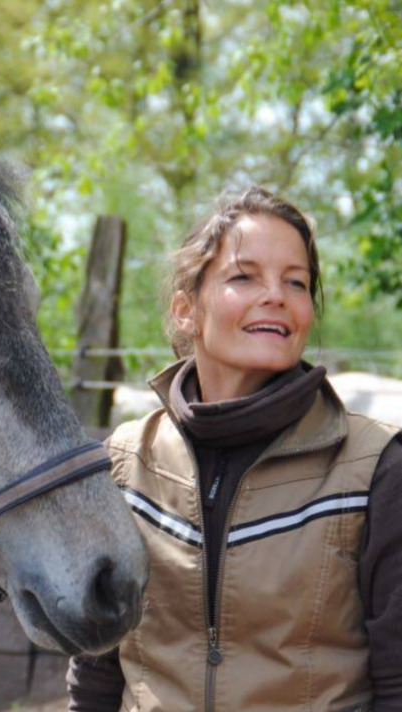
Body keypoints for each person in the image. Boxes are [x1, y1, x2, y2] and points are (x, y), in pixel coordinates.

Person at [66, 186, 402, 711]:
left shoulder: (374, 467)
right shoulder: (126, 462)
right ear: (185, 310)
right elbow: (96, 673)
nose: (277, 295)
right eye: (245, 277)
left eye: (296, 281)